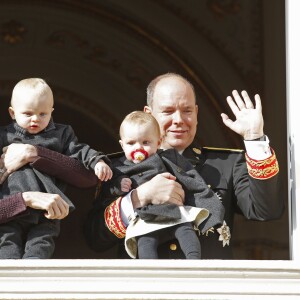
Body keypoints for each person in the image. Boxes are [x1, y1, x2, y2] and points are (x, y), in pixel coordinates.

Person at [0, 73, 284, 259]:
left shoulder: (226, 163)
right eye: (168, 111)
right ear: (149, 114)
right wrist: (138, 198)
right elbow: (95, 238)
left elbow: (266, 210)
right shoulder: (116, 167)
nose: (179, 120)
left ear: (197, 113)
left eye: (187, 110)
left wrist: (254, 138)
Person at [0, 78, 112, 259]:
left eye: (43, 114)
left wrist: (97, 161)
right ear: (12, 113)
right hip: (10, 203)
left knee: (42, 241)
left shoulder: (61, 134)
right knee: (6, 240)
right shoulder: (4, 135)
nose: (35, 119)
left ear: (52, 111)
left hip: (49, 208)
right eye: (28, 114)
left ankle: (34, 271)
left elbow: (80, 151)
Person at [101, 111, 225, 259]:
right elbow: (108, 190)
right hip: (146, 216)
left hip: (172, 210)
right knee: (145, 241)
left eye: (146, 142)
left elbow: (191, 181)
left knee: (186, 231)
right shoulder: (117, 168)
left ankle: (193, 261)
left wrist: (212, 211)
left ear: (158, 142)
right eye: (131, 143)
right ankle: (150, 274)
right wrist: (120, 185)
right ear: (122, 144)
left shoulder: (169, 158)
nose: (138, 148)